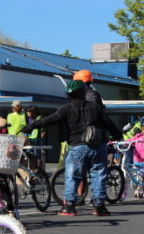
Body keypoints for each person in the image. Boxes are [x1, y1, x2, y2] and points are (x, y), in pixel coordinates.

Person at [21, 80, 122, 216]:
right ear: (83, 92)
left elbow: (49, 120)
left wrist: (30, 126)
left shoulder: (66, 109)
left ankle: (69, 206)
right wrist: (117, 135)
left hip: (78, 146)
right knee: (98, 175)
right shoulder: (94, 107)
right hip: (98, 146)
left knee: (72, 176)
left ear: (69, 95)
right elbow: (108, 122)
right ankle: (99, 206)